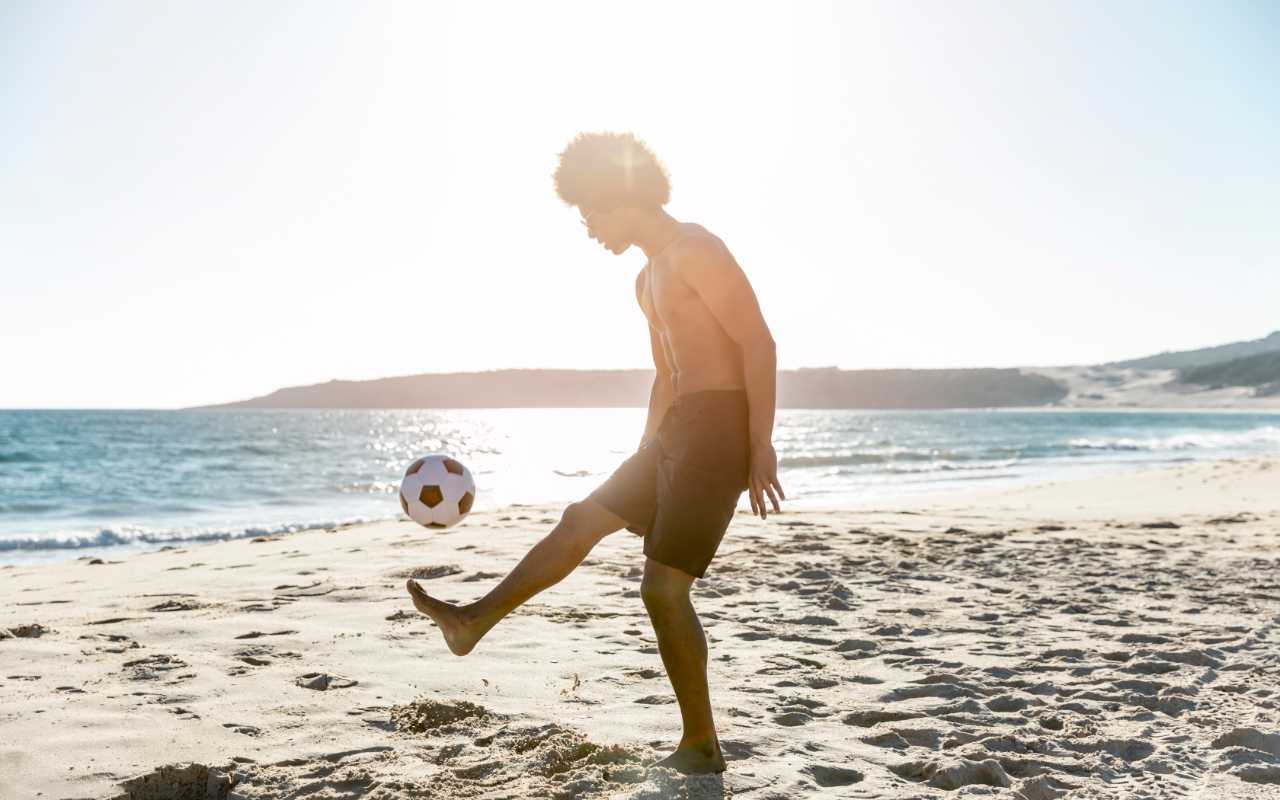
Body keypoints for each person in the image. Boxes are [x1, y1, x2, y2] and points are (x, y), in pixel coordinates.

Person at [406, 131, 784, 775]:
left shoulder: (699, 250)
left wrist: (760, 444)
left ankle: (701, 743)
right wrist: (646, 455)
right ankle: (471, 622)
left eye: (590, 212)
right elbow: (666, 377)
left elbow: (757, 342)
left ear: (620, 197)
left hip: (719, 429)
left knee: (663, 590)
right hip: (676, 433)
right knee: (580, 520)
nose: (588, 228)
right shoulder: (646, 277)